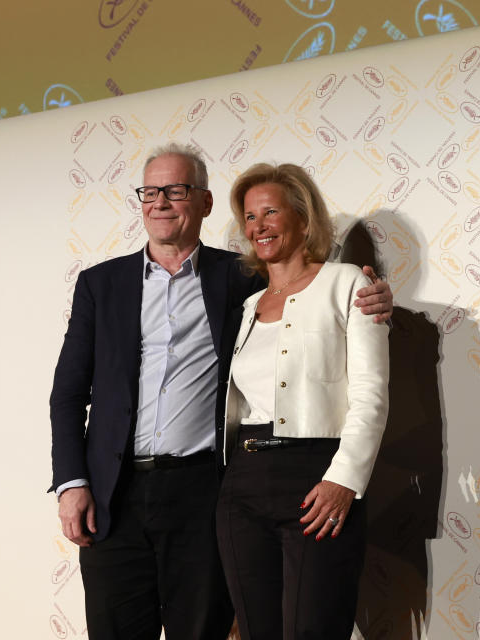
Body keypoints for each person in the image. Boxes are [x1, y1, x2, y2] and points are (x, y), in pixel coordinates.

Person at [49, 145, 392, 640]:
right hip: (114, 494)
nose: (161, 202)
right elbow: (67, 395)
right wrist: (72, 483)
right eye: (150, 191)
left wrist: (378, 299)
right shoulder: (100, 285)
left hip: (202, 493)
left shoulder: (241, 278)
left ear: (205, 203)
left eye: (176, 190)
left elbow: (306, 292)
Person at [215, 163, 390, 640]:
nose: (259, 227)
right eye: (250, 217)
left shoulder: (349, 283)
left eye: (270, 212)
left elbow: (371, 395)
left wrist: (344, 481)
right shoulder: (248, 306)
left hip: (318, 477)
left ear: (303, 217)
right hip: (242, 487)